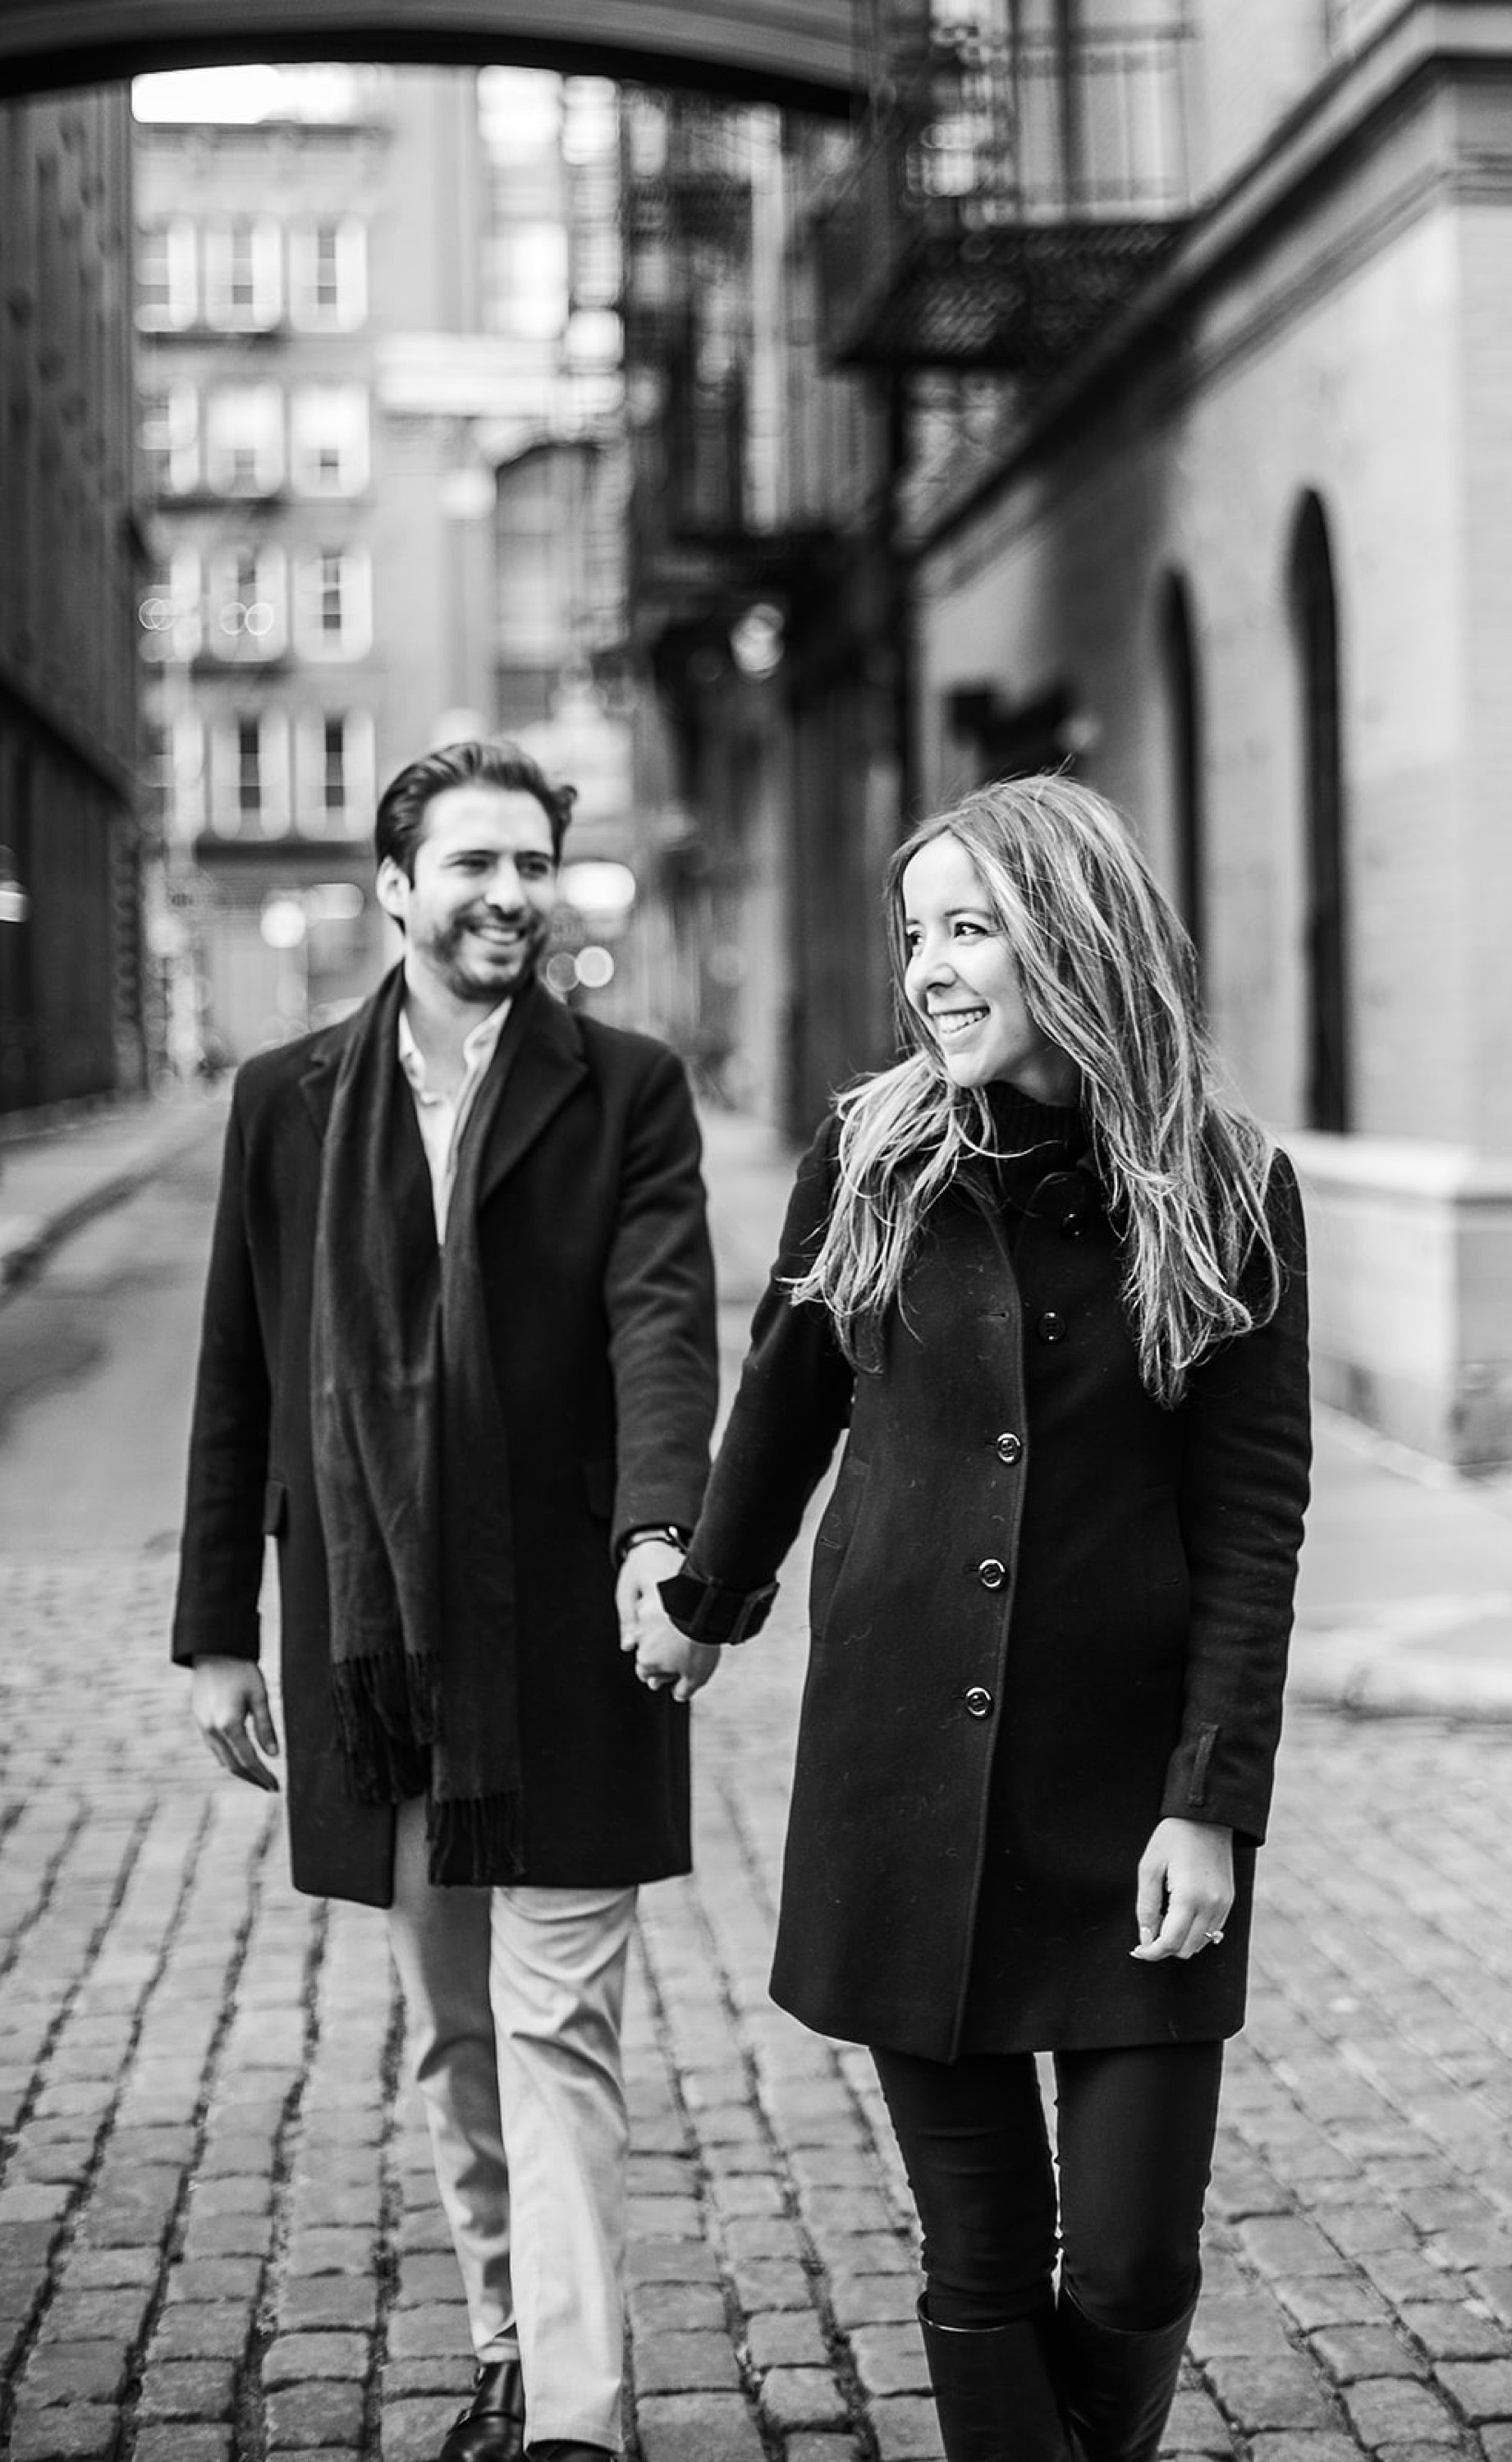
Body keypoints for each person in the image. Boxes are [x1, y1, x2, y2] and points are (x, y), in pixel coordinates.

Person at [652, 776, 1311, 2462]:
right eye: (916, 934)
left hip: (1124, 1800)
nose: (931, 970)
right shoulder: (868, 1157)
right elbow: (785, 1405)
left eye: (970, 928)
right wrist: (702, 1601)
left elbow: (1250, 1520)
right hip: (903, 1794)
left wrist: (1208, 1800)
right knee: (982, 2256)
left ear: (1070, 937)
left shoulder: (1227, 1186)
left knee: (1136, 2256)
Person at [173, 738, 722, 2462]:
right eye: (472, 862)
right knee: (451, 2027)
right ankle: (504, 2327)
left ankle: (569, 2414)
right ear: (398, 885)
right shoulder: (288, 1100)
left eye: (530, 862)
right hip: (374, 1646)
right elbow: (241, 1369)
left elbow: (661, 1324)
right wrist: (210, 1630)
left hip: (564, 1629)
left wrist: (658, 1536)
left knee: (556, 2021)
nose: (506, 893)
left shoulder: (623, 1086)